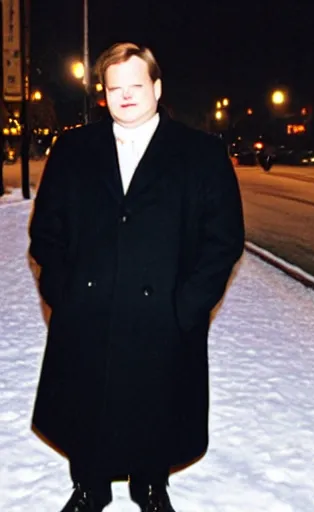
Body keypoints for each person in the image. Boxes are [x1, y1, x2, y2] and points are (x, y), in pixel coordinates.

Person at [28, 42, 245, 512]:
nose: (125, 96)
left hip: (162, 311)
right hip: (89, 307)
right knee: (88, 400)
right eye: (114, 87)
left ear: (157, 87)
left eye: (136, 85)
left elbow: (223, 239)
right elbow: (47, 229)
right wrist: (61, 290)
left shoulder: (201, 153)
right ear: (102, 95)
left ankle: (150, 484)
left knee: (156, 401)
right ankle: (89, 485)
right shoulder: (72, 149)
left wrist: (188, 305)